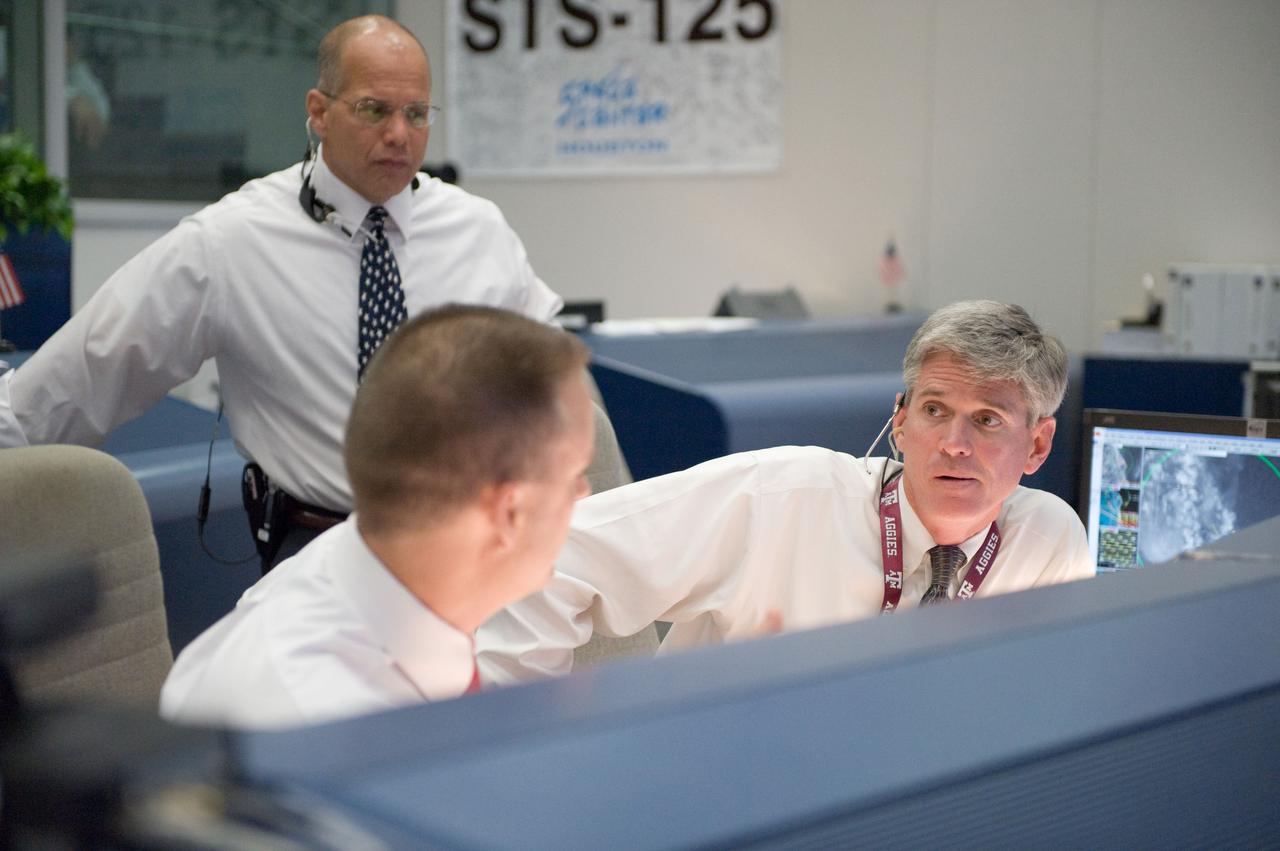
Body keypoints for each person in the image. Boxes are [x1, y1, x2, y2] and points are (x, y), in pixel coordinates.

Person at [0, 15, 561, 567]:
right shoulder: (231, 241)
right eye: (375, 109)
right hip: (317, 555)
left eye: (417, 114)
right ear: (319, 111)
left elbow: (555, 390)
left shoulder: (478, 231)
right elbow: (89, 371)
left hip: (472, 552)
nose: (399, 133)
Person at [477, 300, 1095, 683]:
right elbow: (553, 558)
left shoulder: (1048, 545)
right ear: (900, 421)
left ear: (1039, 445)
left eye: (987, 420)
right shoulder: (781, 498)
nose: (955, 443)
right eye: (936, 410)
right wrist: (529, 753)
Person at [160, 305, 594, 729]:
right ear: (509, 513)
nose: (585, 493)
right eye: (575, 476)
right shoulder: (328, 727)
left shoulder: (391, 587)